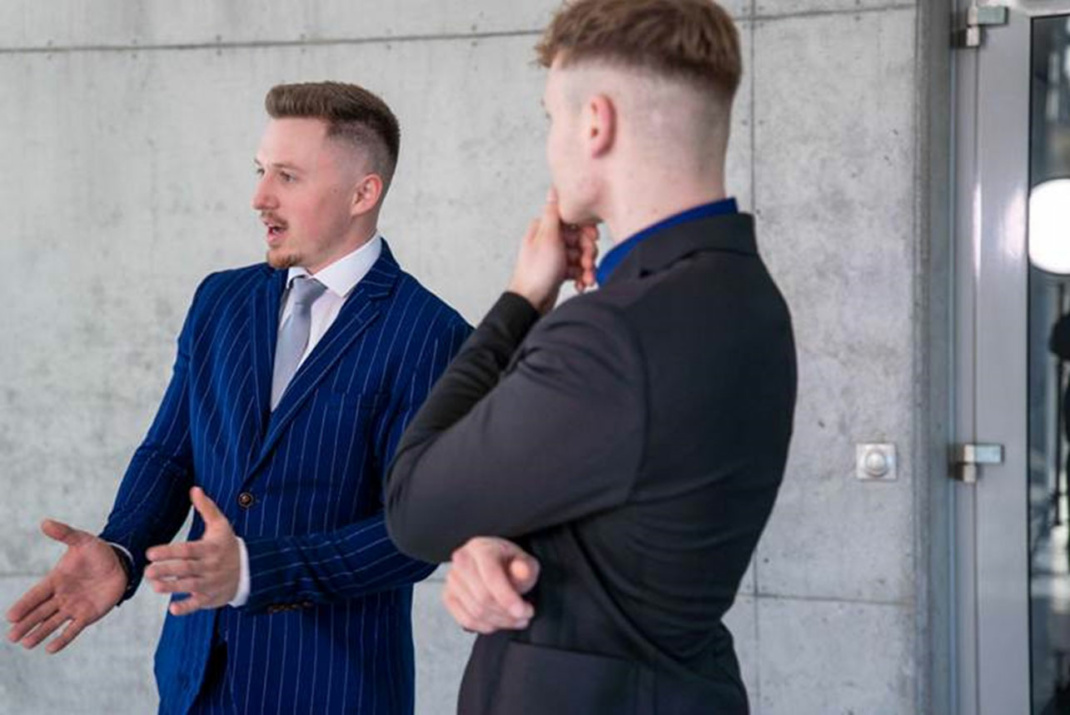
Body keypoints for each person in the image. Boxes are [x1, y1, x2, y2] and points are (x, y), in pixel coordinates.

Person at [6, 81, 470, 715]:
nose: (260, 198)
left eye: (287, 176)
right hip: (196, 679)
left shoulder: (432, 335)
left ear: (363, 193)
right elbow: (171, 454)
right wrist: (121, 549)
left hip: (333, 688)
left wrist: (255, 571)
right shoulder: (221, 301)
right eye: (260, 171)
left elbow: (416, 533)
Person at [385, 1, 797, 712]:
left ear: (595, 123)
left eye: (552, 118)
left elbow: (413, 506)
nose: (552, 144)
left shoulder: (616, 332)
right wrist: (491, 538)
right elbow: (629, 505)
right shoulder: (742, 295)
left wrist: (522, 298)